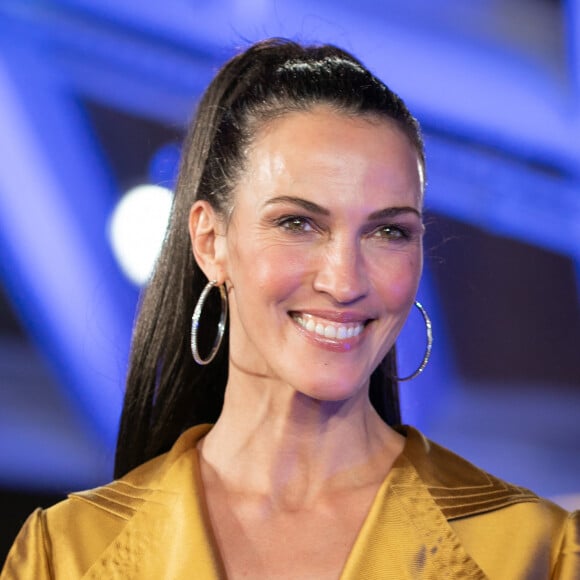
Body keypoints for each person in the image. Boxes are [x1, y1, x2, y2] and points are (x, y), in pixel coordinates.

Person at [2, 38, 578, 579]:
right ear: (210, 242)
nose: (344, 280)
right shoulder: (68, 553)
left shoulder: (531, 551)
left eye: (388, 232)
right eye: (298, 223)